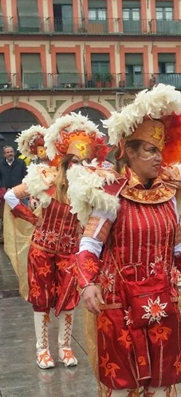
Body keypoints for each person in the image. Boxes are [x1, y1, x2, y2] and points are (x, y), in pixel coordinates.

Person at [68, 84, 181, 397]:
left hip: (162, 302)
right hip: (119, 305)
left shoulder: (169, 196)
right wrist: (88, 282)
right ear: (129, 154)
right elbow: (87, 249)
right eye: (148, 150)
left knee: (162, 379)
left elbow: (180, 250)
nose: (156, 156)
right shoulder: (111, 197)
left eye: (159, 149)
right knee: (121, 381)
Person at [4, 118, 106, 369]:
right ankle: (42, 350)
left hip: (70, 253)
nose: (77, 167)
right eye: (73, 163)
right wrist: (32, 220)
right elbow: (10, 196)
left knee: (68, 300)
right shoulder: (45, 178)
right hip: (41, 251)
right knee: (42, 300)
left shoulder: (88, 187)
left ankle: (65, 348)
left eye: (81, 164)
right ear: (64, 162)